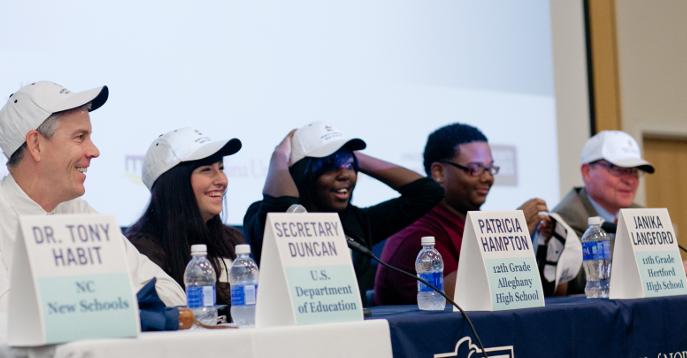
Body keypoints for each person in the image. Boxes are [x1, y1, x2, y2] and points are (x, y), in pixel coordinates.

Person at [0, 81, 185, 333]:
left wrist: (100, 304)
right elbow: (0, 320)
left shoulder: (79, 213)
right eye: (80, 137)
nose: (93, 151)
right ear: (35, 144)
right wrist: (110, 302)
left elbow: (172, 295)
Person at [243, 121, 444, 299]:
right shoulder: (260, 215)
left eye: (349, 166)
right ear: (303, 173)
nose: (346, 175)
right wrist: (279, 157)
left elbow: (428, 192)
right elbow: (283, 205)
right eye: (330, 166)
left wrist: (351, 155)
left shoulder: (358, 220)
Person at [373, 123, 555, 305]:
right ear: (438, 172)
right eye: (474, 169)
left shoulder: (476, 222)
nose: (487, 178)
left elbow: (551, 289)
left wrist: (546, 248)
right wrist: (510, 231)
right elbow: (458, 298)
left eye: (490, 169)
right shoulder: (416, 235)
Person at [126, 128, 246, 322]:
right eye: (206, 170)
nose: (222, 180)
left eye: (221, 168)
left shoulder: (232, 239)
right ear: (174, 183)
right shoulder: (143, 248)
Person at [552, 130, 655, 295]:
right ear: (587, 172)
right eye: (618, 169)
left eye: (634, 171)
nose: (629, 180)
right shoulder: (567, 217)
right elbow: (585, 278)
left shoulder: (640, 214)